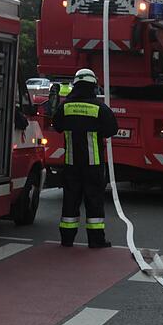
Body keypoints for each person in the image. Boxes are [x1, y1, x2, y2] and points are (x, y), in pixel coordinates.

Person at [52, 68, 119, 248]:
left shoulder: (64, 107)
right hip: (93, 164)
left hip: (71, 164)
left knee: (70, 201)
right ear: (93, 86)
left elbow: (56, 126)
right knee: (94, 201)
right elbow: (112, 129)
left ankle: (67, 239)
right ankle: (96, 240)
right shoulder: (100, 108)